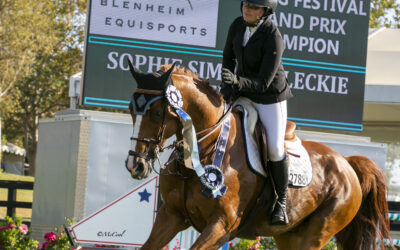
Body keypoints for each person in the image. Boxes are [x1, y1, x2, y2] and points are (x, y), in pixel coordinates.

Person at [220, 0, 293, 225]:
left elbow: (263, 83)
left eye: (253, 6)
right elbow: (228, 58)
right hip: (242, 91)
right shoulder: (237, 25)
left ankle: (281, 201)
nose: (247, 9)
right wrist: (227, 86)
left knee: (274, 148)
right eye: (245, 4)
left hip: (270, 98)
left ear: (265, 12)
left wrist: (237, 81)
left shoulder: (274, 37)